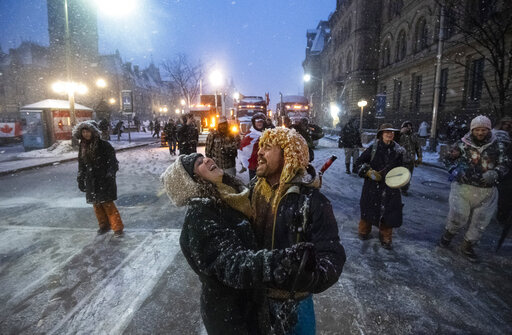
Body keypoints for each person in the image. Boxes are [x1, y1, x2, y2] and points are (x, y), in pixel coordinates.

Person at [161, 153, 317, 335]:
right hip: (231, 317)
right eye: (199, 164)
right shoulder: (201, 217)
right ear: (192, 182)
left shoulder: (230, 197)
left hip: (250, 306)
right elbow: (233, 263)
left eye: (204, 157)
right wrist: (282, 261)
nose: (207, 160)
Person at [250, 127, 346, 334]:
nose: (259, 152)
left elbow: (332, 255)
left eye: (267, 148)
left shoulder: (312, 202)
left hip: (295, 305)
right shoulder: (254, 192)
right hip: (254, 300)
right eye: (260, 147)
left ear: (288, 156)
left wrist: (308, 277)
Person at [440, 115, 510, 261]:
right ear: (472, 130)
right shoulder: (462, 144)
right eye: (477, 129)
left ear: (489, 130)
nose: (480, 133)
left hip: (487, 190)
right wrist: (454, 170)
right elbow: (448, 158)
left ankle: (467, 245)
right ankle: (448, 235)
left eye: (483, 129)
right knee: (458, 215)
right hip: (463, 187)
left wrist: (496, 172)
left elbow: (506, 163)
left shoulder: (498, 145)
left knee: (480, 222)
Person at [355, 123, 405, 249]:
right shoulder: (373, 149)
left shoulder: (398, 151)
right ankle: (364, 230)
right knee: (368, 209)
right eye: (386, 132)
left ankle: (386, 235)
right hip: (372, 186)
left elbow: (403, 169)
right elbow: (357, 164)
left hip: (391, 187)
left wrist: (402, 179)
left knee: (390, 212)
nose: (390, 134)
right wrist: (367, 172)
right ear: (381, 134)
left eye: (392, 132)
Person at [74, 121, 124, 237]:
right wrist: (80, 179)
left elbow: (113, 162)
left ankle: (117, 228)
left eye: (88, 131)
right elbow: (81, 165)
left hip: (104, 179)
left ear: (93, 132)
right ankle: (104, 225)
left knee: (107, 204)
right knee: (96, 204)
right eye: (84, 132)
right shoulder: (83, 147)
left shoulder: (104, 145)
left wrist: (110, 173)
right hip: (91, 179)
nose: (86, 134)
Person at [493, 116, 512, 225]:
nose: (508, 126)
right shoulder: (495, 135)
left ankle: (503, 217)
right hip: (497, 167)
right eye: (506, 124)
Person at [239, 113, 266, 180]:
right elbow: (243, 149)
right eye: (257, 122)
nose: (259, 124)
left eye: (261, 122)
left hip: (265, 164)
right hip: (253, 165)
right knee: (254, 184)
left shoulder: (267, 134)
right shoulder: (250, 135)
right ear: (254, 123)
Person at [398, 121, 422, 196]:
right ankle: (396, 187)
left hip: (410, 160)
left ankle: (404, 189)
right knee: (399, 174)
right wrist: (401, 133)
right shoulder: (399, 135)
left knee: (408, 176)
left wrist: (419, 157)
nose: (409, 129)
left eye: (410, 127)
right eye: (407, 127)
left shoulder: (414, 136)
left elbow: (418, 147)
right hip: (400, 159)